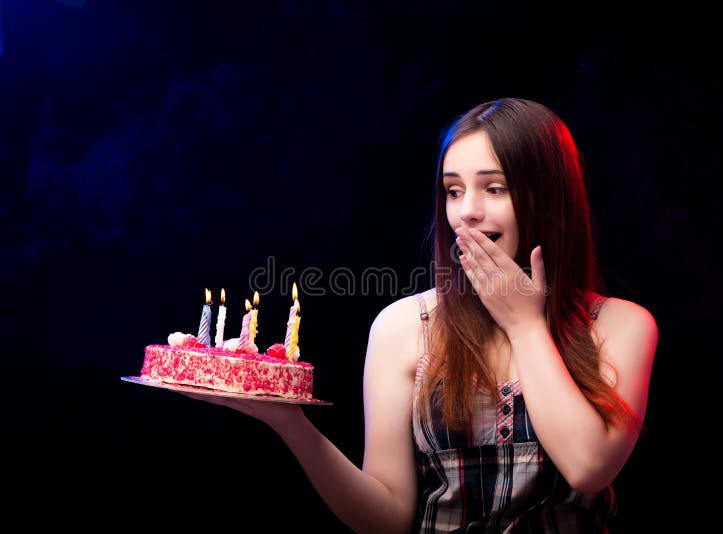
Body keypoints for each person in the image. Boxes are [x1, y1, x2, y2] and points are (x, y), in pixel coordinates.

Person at [183, 98, 658, 533]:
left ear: (549, 200)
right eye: (453, 192)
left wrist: (524, 324)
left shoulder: (622, 325)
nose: (466, 212)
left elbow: (588, 467)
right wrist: (291, 423)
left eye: (495, 188)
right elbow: (385, 518)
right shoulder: (404, 327)